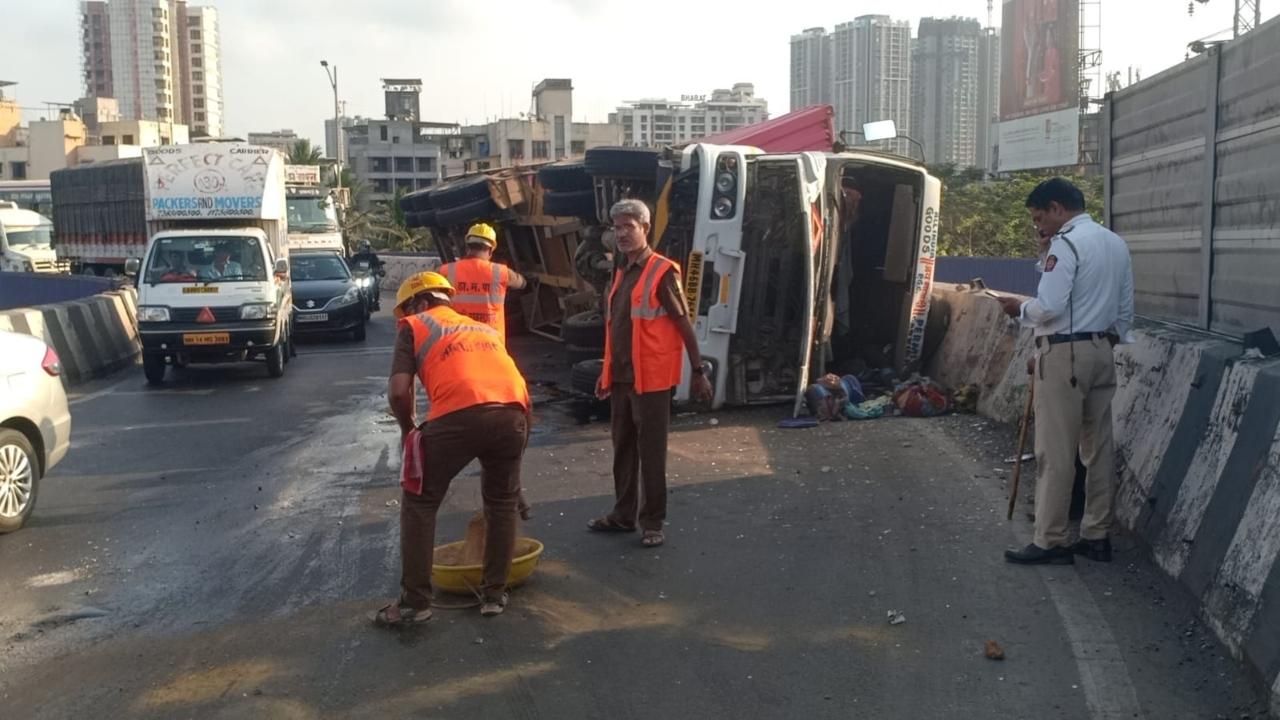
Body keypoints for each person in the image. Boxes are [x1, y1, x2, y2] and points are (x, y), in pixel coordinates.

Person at [375, 271, 531, 625]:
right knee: (501, 503)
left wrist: (407, 430)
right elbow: (521, 393)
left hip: (457, 417)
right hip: (512, 415)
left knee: (420, 502)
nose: (407, 315)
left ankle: (415, 603)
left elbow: (399, 392)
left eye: (408, 308)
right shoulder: (485, 330)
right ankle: (494, 595)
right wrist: (517, 466)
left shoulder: (414, 326)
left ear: (419, 302)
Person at [998, 178, 1134, 566]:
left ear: (1058, 208)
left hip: (1066, 354)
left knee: (1055, 451)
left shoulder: (1067, 243)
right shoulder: (1115, 243)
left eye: (1040, 218)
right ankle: (1096, 534)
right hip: (1103, 350)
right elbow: (1125, 310)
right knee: (1098, 448)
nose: (1039, 226)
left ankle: (1050, 539)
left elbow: (1050, 305)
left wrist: (1020, 311)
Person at [587, 199, 713, 548]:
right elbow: (618, 328)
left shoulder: (661, 272)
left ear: (645, 229)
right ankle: (623, 515)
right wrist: (606, 372)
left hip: (653, 381)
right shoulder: (621, 272)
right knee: (622, 449)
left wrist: (698, 370)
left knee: (651, 453)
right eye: (617, 227)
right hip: (623, 379)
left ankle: (653, 521)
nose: (622, 233)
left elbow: (683, 324)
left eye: (629, 226)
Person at [438, 223, 527, 339]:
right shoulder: (501, 272)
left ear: (467, 247)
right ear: (490, 250)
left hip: (458, 339)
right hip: (491, 342)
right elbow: (522, 283)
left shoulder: (446, 271)